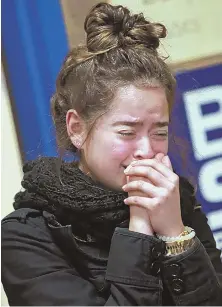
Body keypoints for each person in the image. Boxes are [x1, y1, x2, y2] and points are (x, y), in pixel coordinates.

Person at [1, 2, 222, 306]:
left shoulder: (175, 202)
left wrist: (175, 235)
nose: (146, 150)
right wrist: (140, 230)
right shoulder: (27, 235)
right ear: (77, 128)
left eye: (159, 132)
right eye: (127, 133)